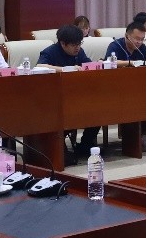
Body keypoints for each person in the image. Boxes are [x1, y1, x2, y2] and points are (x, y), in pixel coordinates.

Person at [37, 26, 100, 156]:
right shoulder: (50, 51)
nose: (77, 47)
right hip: (55, 98)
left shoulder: (79, 52)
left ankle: (86, 144)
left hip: (77, 95)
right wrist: (65, 69)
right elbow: (40, 66)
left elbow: (87, 64)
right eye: (74, 45)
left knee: (98, 110)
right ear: (63, 43)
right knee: (68, 114)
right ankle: (57, 145)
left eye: (79, 43)